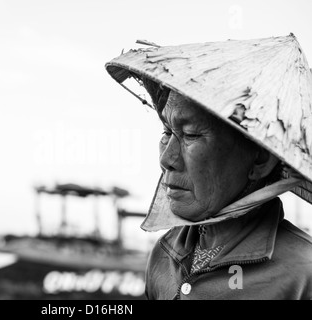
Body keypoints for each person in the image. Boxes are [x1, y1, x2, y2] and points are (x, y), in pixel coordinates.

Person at [105, 34, 312, 299]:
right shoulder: (164, 254)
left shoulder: (302, 275)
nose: (166, 159)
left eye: (191, 135)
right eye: (167, 131)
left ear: (259, 160)